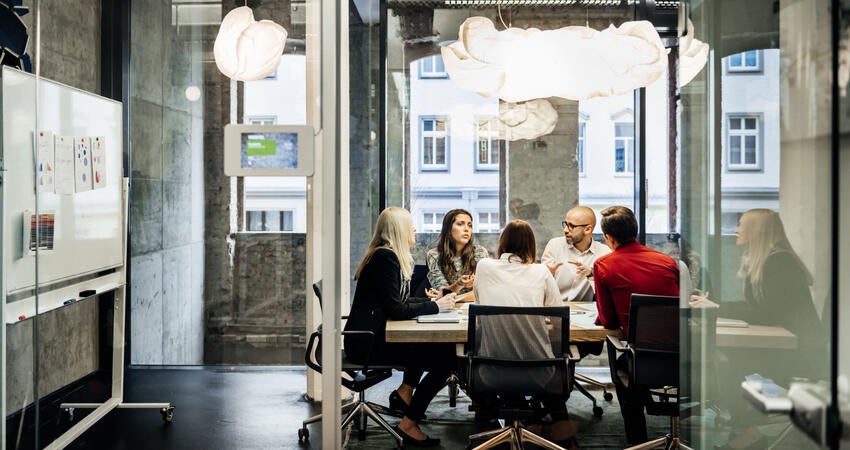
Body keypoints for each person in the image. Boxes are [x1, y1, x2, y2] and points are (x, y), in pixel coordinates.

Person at [343, 207, 457, 447]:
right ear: (398, 230)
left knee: (434, 350)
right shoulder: (386, 258)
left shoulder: (383, 255)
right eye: (410, 224)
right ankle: (408, 422)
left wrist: (431, 302)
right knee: (446, 358)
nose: (414, 228)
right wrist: (436, 307)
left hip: (368, 338)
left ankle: (405, 395)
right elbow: (396, 310)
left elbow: (396, 302)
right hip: (369, 344)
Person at [719, 209, 826, 448]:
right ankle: (747, 427)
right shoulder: (764, 260)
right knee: (730, 360)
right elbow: (756, 309)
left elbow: (766, 314)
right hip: (786, 346)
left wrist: (716, 308)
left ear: (757, 232)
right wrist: (715, 305)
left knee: (728, 363)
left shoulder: (780, 262)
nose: (737, 230)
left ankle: (749, 428)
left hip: (801, 354)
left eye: (743, 226)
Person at [472, 220, 577, 444]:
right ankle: (548, 423)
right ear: (531, 245)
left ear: (502, 243)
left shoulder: (484, 266)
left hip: (491, 371)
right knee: (552, 354)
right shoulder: (541, 272)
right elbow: (558, 319)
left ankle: (492, 420)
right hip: (539, 373)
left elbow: (480, 310)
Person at [592, 206, 679, 445]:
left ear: (609, 238)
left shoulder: (604, 265)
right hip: (678, 358)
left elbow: (609, 322)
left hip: (639, 360)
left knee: (616, 348)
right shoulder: (668, 262)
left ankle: (637, 441)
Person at [541, 205, 611, 302]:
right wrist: (546, 274)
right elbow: (540, 287)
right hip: (556, 309)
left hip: (587, 312)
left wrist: (591, 273)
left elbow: (607, 291)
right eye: (565, 224)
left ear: (588, 229)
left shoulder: (604, 252)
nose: (565, 230)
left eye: (571, 226)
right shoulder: (554, 245)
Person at [425, 209, 489, 301]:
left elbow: (484, 291)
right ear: (448, 229)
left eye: (470, 225)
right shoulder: (434, 255)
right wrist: (459, 284)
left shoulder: (480, 252)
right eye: (460, 224)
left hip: (473, 308)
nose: (467, 229)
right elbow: (443, 292)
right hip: (447, 309)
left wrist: (455, 297)